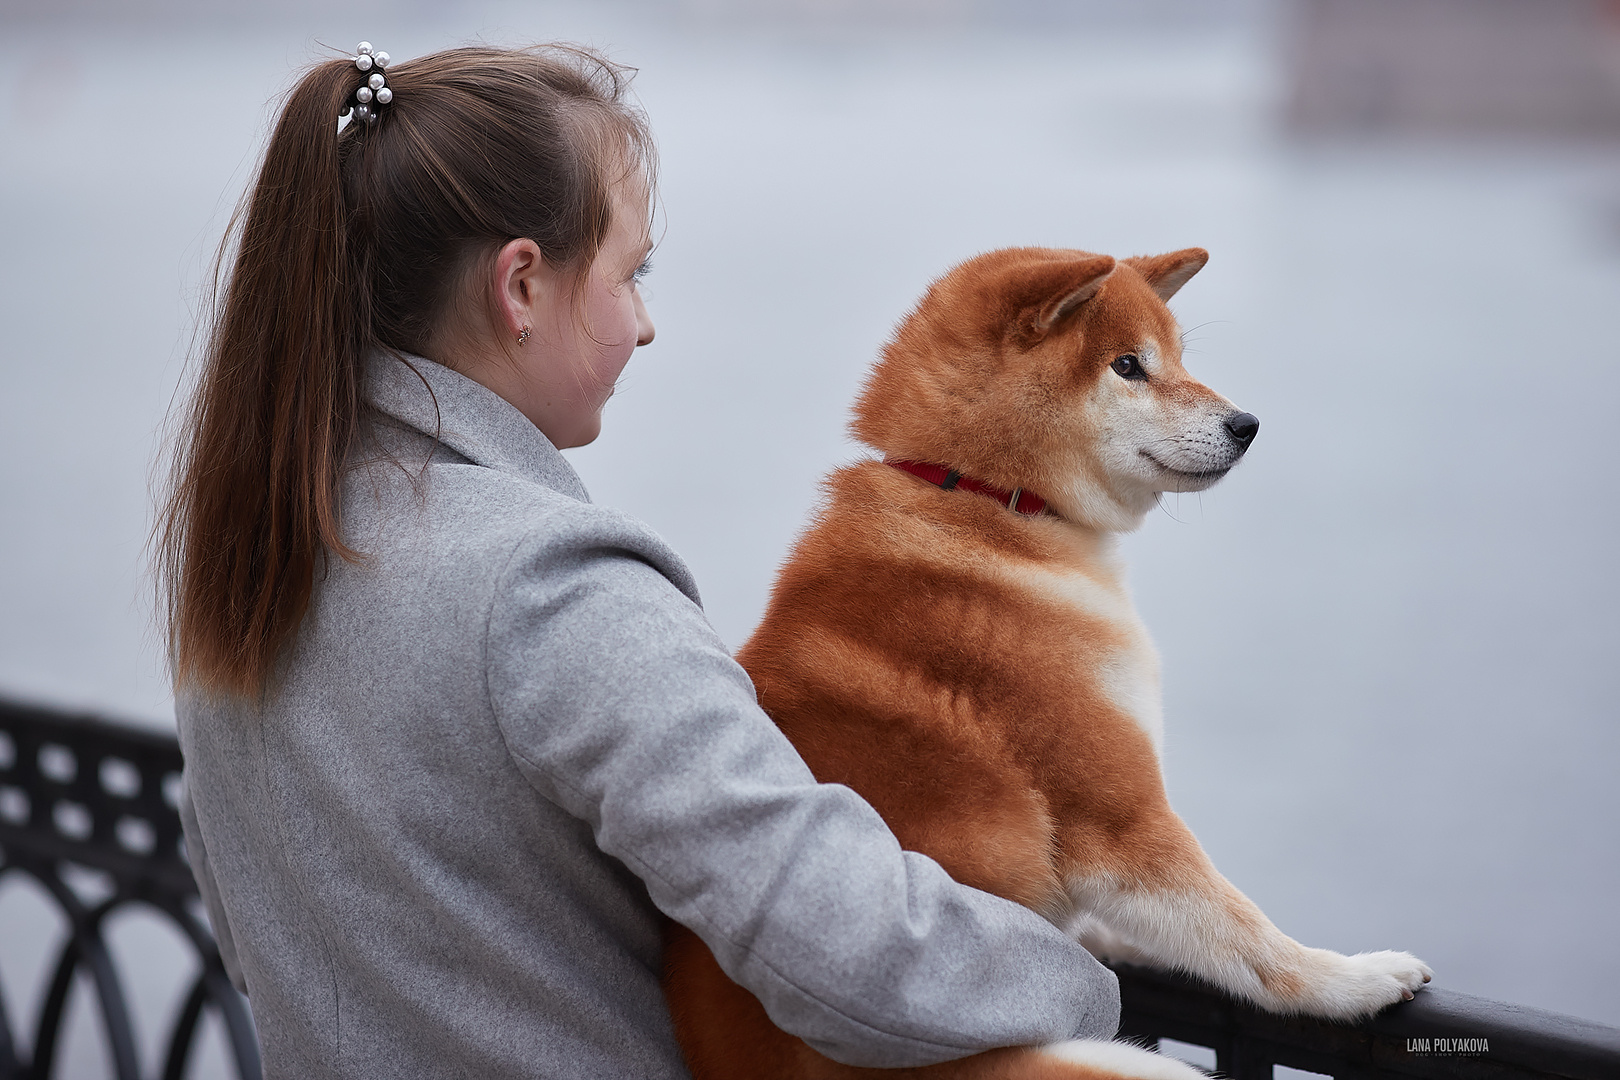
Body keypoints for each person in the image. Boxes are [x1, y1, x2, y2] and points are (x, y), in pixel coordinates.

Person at [159, 43, 1121, 1079]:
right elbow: (853, 952)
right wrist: (1095, 983)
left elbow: (255, 934)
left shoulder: (257, 549)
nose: (646, 324)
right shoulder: (551, 586)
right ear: (520, 284)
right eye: (630, 274)